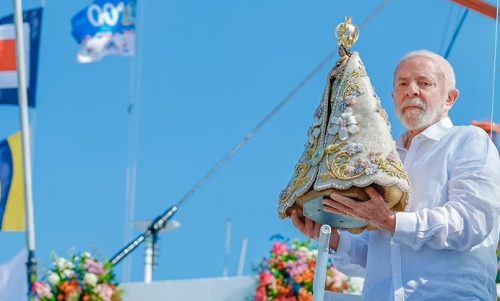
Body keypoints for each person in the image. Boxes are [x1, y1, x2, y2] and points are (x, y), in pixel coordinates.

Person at [291, 50, 500, 301]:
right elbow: (374, 255)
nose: (411, 90)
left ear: (450, 98)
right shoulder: (381, 159)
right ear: (394, 96)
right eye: (403, 84)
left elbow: (470, 221)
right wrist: (332, 238)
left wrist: (392, 221)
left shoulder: (468, 140)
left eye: (424, 83)